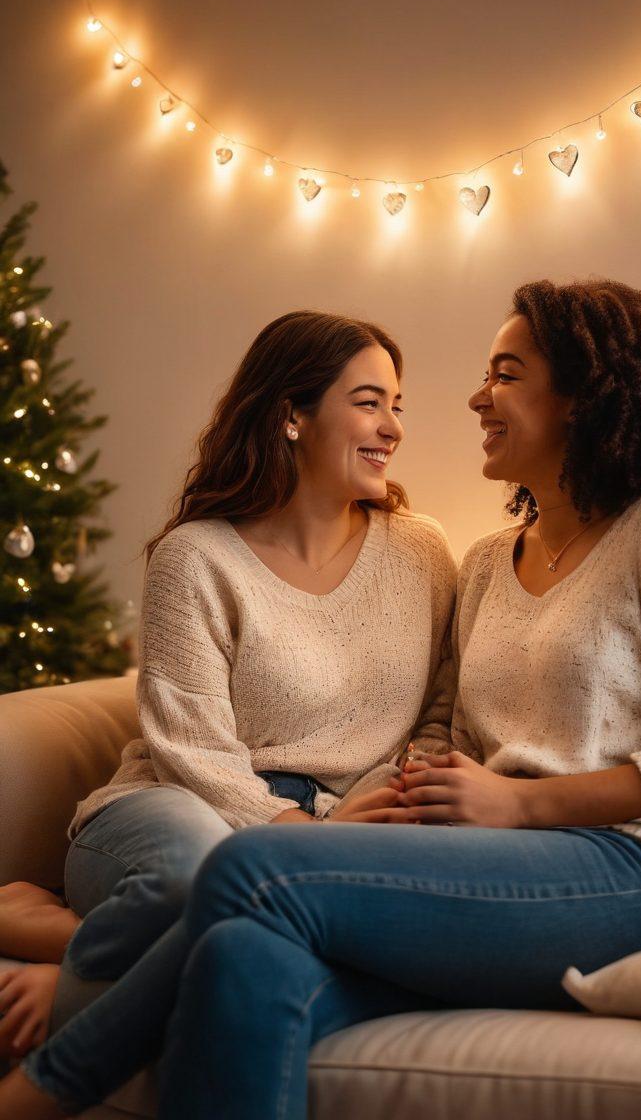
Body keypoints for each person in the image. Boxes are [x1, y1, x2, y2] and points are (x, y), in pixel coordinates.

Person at [1, 278, 641, 1119]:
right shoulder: (484, 563)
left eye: (507, 374)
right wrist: (424, 795)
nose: (477, 396)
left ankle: (40, 1090)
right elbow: (448, 731)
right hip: (483, 863)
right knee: (241, 963)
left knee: (256, 867)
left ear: (585, 398)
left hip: (631, 869)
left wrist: (520, 805)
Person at [0, 310, 456, 1105]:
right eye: (369, 402)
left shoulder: (422, 551)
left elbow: (441, 711)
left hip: (348, 817)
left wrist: (383, 796)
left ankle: (70, 954)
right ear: (291, 414)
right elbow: (194, 752)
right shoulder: (197, 556)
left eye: (398, 405)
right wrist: (307, 845)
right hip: (174, 806)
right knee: (193, 874)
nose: (393, 428)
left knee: (266, 935)